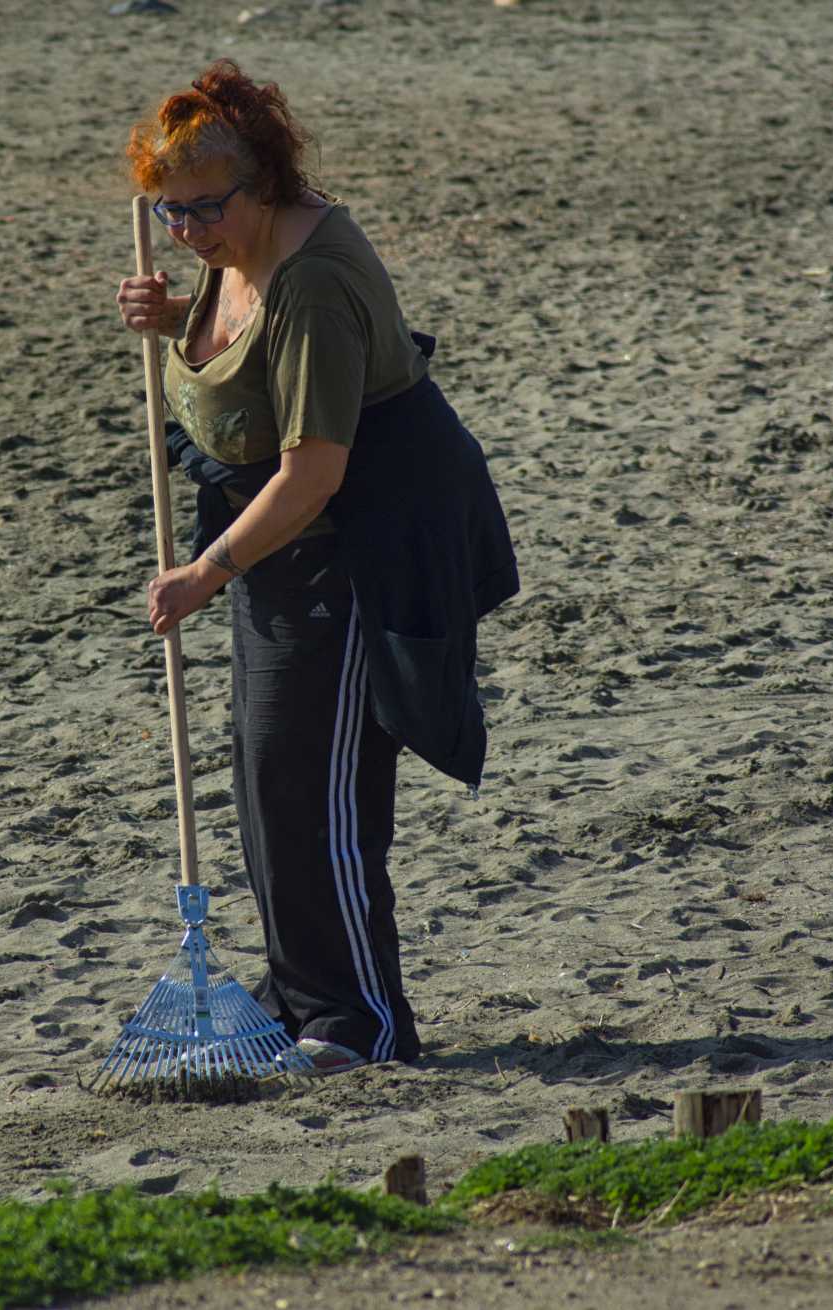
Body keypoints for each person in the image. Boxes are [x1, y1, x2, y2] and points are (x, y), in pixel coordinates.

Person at [116, 60, 519, 1075]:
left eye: (204, 210)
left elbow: (314, 471)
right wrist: (176, 321)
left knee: (321, 788)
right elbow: (243, 353)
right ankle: (303, 991)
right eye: (170, 216)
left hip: (358, 550)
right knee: (268, 780)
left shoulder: (315, 281)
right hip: (280, 553)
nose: (191, 233)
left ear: (264, 183)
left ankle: (360, 1022)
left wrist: (203, 571)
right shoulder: (235, 251)